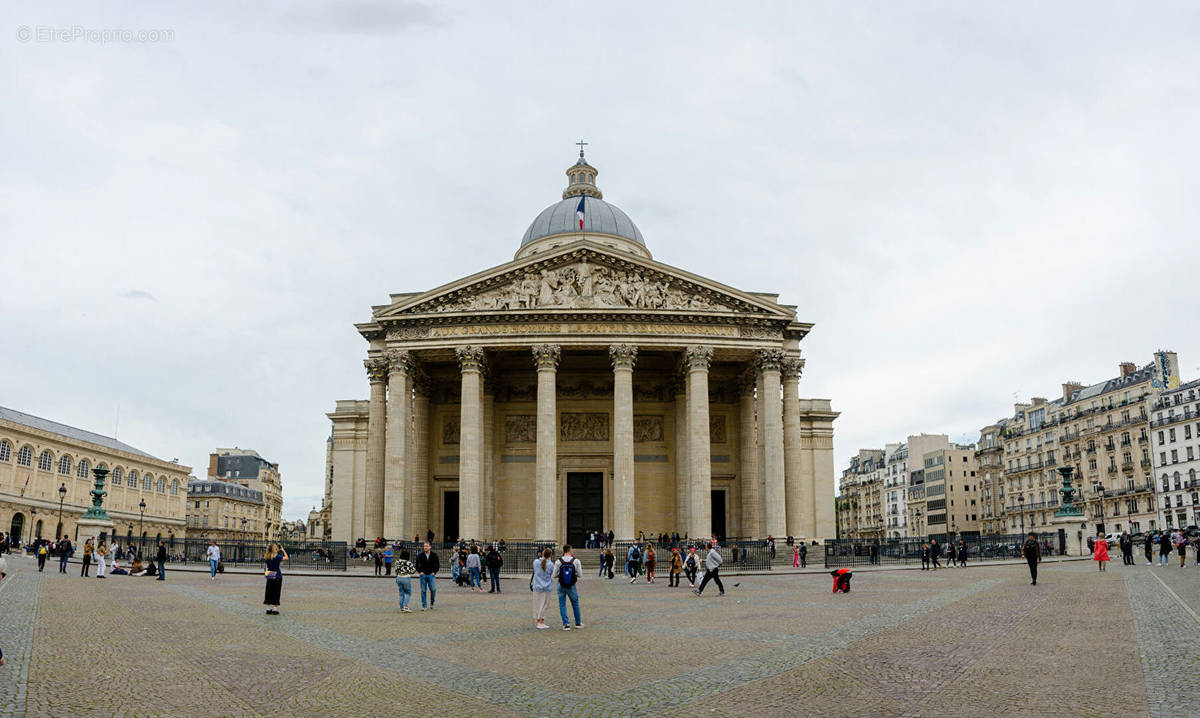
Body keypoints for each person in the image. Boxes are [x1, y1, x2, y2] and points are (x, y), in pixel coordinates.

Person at [552, 544, 583, 630]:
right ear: (569, 550)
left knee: (562, 604)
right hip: (571, 585)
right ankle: (578, 623)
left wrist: (562, 575)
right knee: (575, 604)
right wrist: (572, 575)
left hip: (561, 585)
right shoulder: (576, 561)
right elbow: (580, 574)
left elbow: (554, 575)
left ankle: (566, 624)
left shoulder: (558, 561)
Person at [531, 547, 554, 629]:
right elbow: (552, 574)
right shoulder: (551, 564)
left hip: (537, 586)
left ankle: (538, 621)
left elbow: (535, 571)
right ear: (550, 555)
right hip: (546, 587)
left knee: (537, 604)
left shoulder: (536, 562)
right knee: (544, 605)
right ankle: (541, 622)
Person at [263, 544, 288, 615]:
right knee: (276, 592)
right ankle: (275, 609)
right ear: (275, 549)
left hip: (269, 573)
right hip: (277, 574)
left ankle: (268, 609)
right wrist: (283, 550)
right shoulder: (277, 557)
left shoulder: (266, 556)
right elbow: (286, 558)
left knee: (268, 591)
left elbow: (267, 555)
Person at [415, 541, 439, 610]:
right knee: (423, 590)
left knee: (433, 589)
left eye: (426, 546)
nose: (425, 547)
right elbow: (416, 565)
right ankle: (424, 605)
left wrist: (434, 572)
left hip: (431, 575)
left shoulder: (434, 555)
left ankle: (432, 602)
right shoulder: (420, 555)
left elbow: (437, 565)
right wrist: (420, 572)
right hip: (423, 575)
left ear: (430, 547)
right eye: (424, 546)